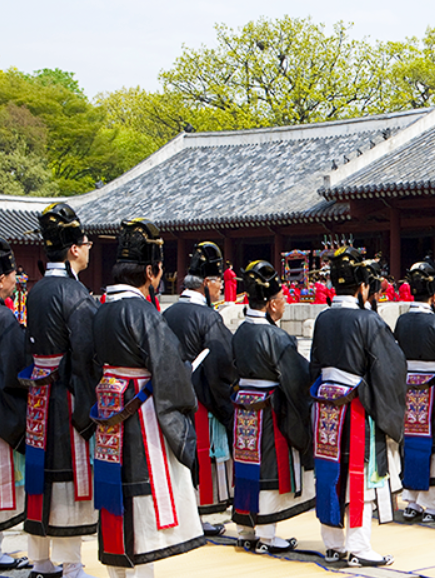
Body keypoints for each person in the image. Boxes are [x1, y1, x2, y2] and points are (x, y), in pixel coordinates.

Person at [91, 219, 206, 577]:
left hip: (110, 408)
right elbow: (169, 368)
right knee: (143, 500)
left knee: (115, 492)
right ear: (151, 271)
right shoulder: (142, 312)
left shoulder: (101, 308)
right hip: (140, 416)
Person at [309, 248, 405, 566]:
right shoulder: (368, 320)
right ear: (362, 286)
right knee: (359, 475)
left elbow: (315, 364)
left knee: (329, 472)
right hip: (356, 407)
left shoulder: (323, 318)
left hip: (326, 405)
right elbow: (389, 368)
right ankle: (359, 545)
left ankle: (333, 543)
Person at [23, 203, 98, 578]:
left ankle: (39, 559)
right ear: (72, 248)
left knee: (40, 475)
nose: (88, 249)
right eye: (85, 243)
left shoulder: (35, 292)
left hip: (38, 395)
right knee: (69, 475)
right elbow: (86, 356)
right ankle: (71, 563)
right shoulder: (76, 295)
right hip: (67, 394)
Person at [230, 261, 316, 555]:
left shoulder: (240, 331)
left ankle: (245, 529)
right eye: (281, 300)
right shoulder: (276, 337)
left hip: (244, 407)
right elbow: (296, 378)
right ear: (269, 304)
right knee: (269, 466)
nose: (284, 304)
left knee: (245, 464)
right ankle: (267, 534)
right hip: (268, 409)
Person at [161, 242, 236, 536]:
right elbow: (223, 364)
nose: (220, 289)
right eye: (217, 283)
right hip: (201, 400)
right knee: (201, 456)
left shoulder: (168, 313)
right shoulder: (208, 317)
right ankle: (199, 514)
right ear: (206, 283)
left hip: (172, 395)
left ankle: (182, 512)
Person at [394, 262, 435, 523]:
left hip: (409, 389)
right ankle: (431, 504)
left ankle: (411, 500)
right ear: (434, 296)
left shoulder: (401, 321)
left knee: (411, 442)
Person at [0, 236, 31, 572]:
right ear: (0, 278)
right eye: (13, 274)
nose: (16, 280)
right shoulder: (2, 318)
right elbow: (14, 369)